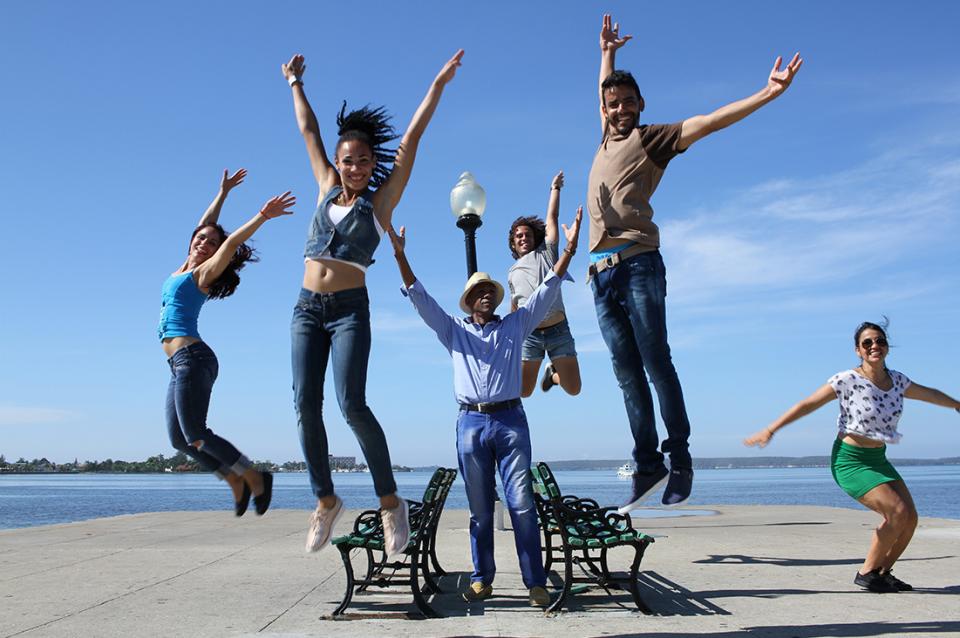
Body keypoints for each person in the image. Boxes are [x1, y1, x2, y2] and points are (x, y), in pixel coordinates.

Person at [587, 14, 803, 510]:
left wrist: (766, 94)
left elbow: (709, 121)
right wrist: (607, 54)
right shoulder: (604, 136)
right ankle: (647, 465)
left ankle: (679, 457)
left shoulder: (651, 138)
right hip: (599, 277)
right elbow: (604, 86)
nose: (619, 109)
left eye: (627, 103)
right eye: (612, 103)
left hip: (638, 263)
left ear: (641, 106)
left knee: (656, 360)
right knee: (626, 374)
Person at [281, 50, 463, 556]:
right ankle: (325, 500)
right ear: (338, 164)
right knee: (303, 404)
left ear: (371, 164)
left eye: (363, 160)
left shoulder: (380, 201)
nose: (356, 167)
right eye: (348, 160)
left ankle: (390, 501)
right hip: (305, 308)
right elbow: (310, 132)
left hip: (348, 311)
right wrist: (296, 82)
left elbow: (413, 137)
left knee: (351, 404)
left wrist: (438, 83)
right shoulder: (323, 187)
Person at [388, 206, 581, 607]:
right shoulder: (453, 331)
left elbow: (547, 289)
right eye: (478, 293)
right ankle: (482, 577)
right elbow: (421, 300)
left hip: (511, 420)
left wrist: (570, 250)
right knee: (479, 510)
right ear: (468, 301)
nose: (485, 296)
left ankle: (535, 581)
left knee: (522, 505)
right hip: (471, 422)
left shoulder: (515, 325)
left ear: (495, 298)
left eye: (490, 292)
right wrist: (399, 254)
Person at [745, 321, 960, 593]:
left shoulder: (898, 381)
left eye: (879, 341)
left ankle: (882, 572)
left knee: (911, 518)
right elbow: (807, 404)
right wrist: (770, 429)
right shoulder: (847, 379)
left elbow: (929, 393)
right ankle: (866, 572)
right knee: (897, 512)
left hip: (878, 458)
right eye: (867, 343)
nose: (874, 346)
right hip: (850, 461)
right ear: (858, 350)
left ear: (886, 346)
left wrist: (956, 404)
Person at [159, 168, 294, 516]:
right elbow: (205, 224)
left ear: (215, 253)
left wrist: (262, 216)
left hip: (193, 358)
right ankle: (233, 479)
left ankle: (255, 477)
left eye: (210, 243)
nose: (203, 242)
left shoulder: (201, 274)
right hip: (178, 364)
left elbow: (231, 243)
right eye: (199, 239)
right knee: (179, 439)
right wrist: (223, 192)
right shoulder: (181, 266)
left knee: (196, 431)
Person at [507, 170, 582, 398]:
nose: (523, 237)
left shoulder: (546, 253)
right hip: (530, 336)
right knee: (523, 391)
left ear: (535, 238)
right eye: (518, 236)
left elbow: (553, 217)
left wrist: (555, 189)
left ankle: (553, 374)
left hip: (558, 330)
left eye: (527, 234)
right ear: (513, 243)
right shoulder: (511, 273)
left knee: (573, 389)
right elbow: (515, 304)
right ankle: (549, 371)